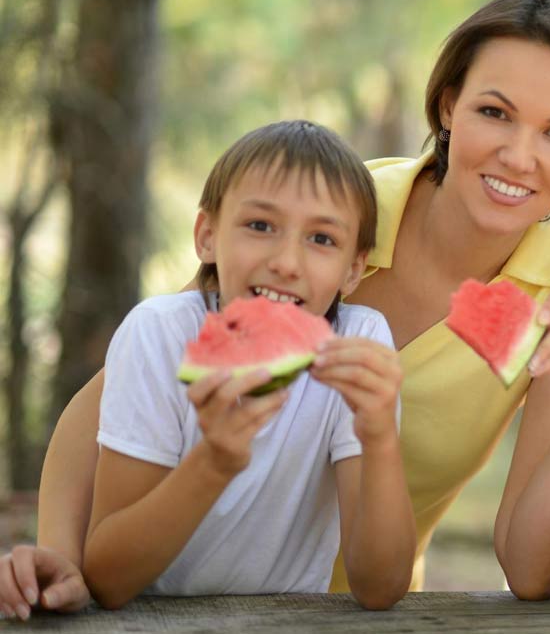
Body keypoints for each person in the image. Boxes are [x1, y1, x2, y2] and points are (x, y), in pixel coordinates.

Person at [0, 0, 550, 617]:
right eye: (494, 113)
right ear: (449, 106)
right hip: (176, 586)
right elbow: (123, 387)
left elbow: (531, 570)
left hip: (359, 606)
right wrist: (60, 552)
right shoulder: (339, 213)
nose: (518, 155)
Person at [82, 120, 415, 609]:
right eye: (260, 226)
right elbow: (108, 579)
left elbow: (380, 587)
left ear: (354, 269)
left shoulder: (359, 343)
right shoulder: (158, 333)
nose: (286, 261)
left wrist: (381, 437)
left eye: (321, 238)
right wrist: (213, 463)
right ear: (207, 236)